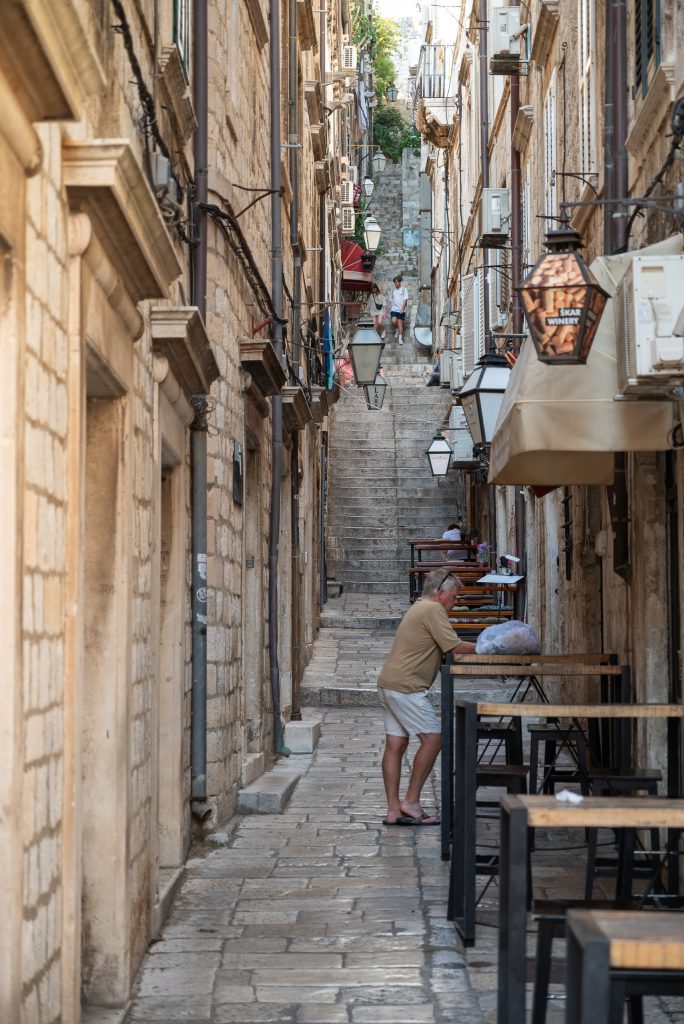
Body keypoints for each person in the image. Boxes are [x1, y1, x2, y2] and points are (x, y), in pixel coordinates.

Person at [377, 570, 477, 826]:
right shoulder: (433, 610)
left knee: (395, 744)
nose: (455, 602)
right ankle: (411, 801)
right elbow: (455, 647)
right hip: (406, 686)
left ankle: (393, 810)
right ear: (440, 593)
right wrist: (491, 645)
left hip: (390, 682)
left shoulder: (420, 606)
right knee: (433, 739)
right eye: (454, 597)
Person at [389, 274, 409, 344]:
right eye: (394, 282)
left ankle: (400, 338)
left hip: (401, 309)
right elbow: (391, 301)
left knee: (400, 322)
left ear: (400, 282)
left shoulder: (404, 289)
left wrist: (402, 308)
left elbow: (405, 300)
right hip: (394, 309)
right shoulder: (392, 290)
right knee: (394, 321)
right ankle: (397, 329)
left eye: (397, 282)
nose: (395, 283)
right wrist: (388, 308)